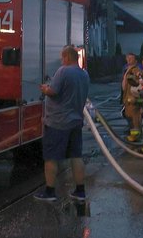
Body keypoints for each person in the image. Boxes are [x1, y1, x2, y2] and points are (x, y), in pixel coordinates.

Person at [35, 45, 90, 203]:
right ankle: (80, 191)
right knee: (76, 156)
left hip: (58, 123)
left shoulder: (63, 71)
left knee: (51, 157)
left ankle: (50, 192)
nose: (61, 60)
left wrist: (45, 89)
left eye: (62, 57)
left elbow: (54, 91)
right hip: (75, 122)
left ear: (66, 57)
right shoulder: (84, 74)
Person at [121, 53, 143, 143]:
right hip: (127, 100)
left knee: (135, 120)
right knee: (130, 118)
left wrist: (137, 99)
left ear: (135, 60)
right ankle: (133, 135)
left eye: (131, 58)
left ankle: (137, 136)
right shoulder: (127, 70)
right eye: (127, 58)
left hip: (134, 101)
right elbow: (124, 86)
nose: (129, 60)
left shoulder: (136, 70)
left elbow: (140, 85)